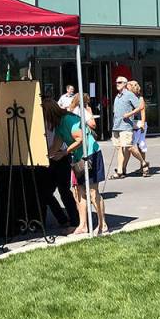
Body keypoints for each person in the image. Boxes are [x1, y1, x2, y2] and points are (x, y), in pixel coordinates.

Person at [51, 95, 106, 235]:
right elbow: (55, 146)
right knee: (79, 192)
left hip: (91, 154)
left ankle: (103, 225)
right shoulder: (59, 125)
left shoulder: (68, 119)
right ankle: (83, 226)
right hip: (77, 159)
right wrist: (45, 157)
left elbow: (80, 139)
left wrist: (64, 152)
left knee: (93, 192)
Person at [41, 98, 79, 229]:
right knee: (48, 193)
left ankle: (74, 220)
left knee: (63, 191)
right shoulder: (50, 121)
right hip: (53, 157)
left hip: (60, 157)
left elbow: (58, 142)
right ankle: (64, 219)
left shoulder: (60, 122)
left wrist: (54, 154)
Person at [111, 75, 146, 178]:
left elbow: (140, 107)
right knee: (119, 148)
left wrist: (129, 114)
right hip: (116, 126)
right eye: (116, 82)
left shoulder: (129, 95)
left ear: (125, 84)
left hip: (126, 126)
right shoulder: (117, 96)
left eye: (119, 82)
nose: (117, 84)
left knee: (129, 147)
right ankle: (120, 171)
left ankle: (143, 162)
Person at [126, 81, 149, 166]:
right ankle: (124, 167)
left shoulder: (140, 98)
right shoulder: (128, 97)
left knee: (140, 145)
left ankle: (143, 165)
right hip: (131, 123)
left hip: (139, 123)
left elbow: (143, 111)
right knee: (130, 145)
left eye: (128, 87)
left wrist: (142, 123)